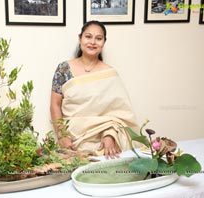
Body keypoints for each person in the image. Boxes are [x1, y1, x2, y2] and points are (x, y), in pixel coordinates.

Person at [50, 20, 138, 159]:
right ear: (80, 39)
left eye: (99, 38)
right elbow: (55, 105)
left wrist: (110, 136)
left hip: (105, 146)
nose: (93, 42)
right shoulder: (64, 69)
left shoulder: (110, 74)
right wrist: (62, 136)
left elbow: (119, 115)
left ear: (104, 42)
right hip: (72, 142)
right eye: (88, 36)